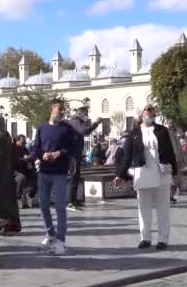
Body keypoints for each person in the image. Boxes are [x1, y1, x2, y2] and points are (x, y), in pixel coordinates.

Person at [114, 105, 177, 250]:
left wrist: (175, 172)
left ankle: (163, 239)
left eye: (152, 114)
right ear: (142, 115)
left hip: (161, 172)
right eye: (147, 113)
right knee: (143, 208)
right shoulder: (134, 133)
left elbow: (170, 151)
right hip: (143, 172)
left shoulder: (162, 131)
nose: (150, 116)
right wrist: (120, 175)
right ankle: (145, 237)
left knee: (163, 208)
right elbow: (127, 155)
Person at [31, 99, 77, 256]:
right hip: (44, 172)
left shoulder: (67, 129)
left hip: (60, 172)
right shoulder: (42, 129)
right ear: (51, 111)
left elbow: (72, 148)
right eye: (58, 110)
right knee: (43, 205)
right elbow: (35, 148)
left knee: (59, 206)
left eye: (62, 111)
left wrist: (58, 153)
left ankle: (61, 240)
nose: (61, 113)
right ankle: (50, 234)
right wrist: (41, 155)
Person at [0, 114, 21, 234]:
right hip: (6, 171)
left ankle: (4, 224)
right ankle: (10, 224)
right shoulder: (6, 134)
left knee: (0, 200)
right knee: (7, 200)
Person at [66, 106, 102, 211]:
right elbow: (84, 131)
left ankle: (74, 200)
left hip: (76, 154)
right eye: (86, 114)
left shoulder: (77, 121)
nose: (87, 117)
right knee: (73, 177)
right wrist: (95, 123)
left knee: (76, 177)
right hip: (72, 155)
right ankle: (70, 202)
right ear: (80, 114)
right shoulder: (75, 121)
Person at [12, 135, 37, 208]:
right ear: (17, 141)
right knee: (21, 177)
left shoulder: (25, 149)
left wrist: (30, 162)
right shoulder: (13, 149)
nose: (24, 144)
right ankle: (18, 197)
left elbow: (30, 158)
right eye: (23, 142)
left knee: (36, 176)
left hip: (25, 169)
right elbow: (15, 161)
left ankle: (30, 195)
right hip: (15, 170)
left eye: (25, 142)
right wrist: (24, 159)